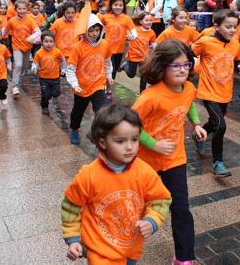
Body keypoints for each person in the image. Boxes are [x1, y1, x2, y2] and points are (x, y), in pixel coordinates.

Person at [61, 104, 172, 264]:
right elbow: (71, 207)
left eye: (134, 139)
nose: (129, 147)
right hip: (100, 252)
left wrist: (151, 221)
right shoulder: (89, 175)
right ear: (103, 142)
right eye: (120, 141)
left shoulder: (144, 171)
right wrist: (73, 239)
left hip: (130, 251)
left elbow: (161, 199)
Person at [133, 39, 207, 265]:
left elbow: (189, 104)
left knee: (181, 208)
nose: (183, 69)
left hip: (175, 159)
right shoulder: (151, 97)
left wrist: (196, 124)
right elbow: (131, 126)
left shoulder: (189, 88)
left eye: (186, 64)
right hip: (145, 163)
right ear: (162, 66)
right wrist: (153, 144)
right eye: (176, 65)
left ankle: (184, 258)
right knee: (136, 210)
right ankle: (115, 250)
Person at [191, 10, 240, 177]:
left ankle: (199, 135)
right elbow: (189, 52)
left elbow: (238, 59)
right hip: (208, 92)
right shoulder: (206, 42)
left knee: (215, 123)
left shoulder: (235, 41)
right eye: (228, 26)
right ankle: (218, 162)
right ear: (216, 26)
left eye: (235, 27)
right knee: (221, 126)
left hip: (225, 92)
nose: (232, 30)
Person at [66, 14, 113, 145]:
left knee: (101, 111)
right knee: (77, 112)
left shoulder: (105, 44)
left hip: (98, 85)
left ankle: (98, 134)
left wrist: (109, 75)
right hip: (82, 87)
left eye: (97, 30)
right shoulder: (78, 47)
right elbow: (70, 69)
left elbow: (108, 62)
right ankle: (74, 129)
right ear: (85, 31)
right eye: (91, 30)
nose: (94, 34)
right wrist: (75, 84)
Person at [3, 0, 39, 97]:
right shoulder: (12, 20)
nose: (22, 10)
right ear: (16, 9)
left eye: (24, 8)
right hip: (16, 46)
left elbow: (37, 31)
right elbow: (5, 30)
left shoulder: (30, 20)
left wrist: (32, 37)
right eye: (20, 9)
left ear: (27, 9)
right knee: (18, 65)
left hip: (27, 47)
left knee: (25, 67)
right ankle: (15, 86)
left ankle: (21, 72)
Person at [100, 0, 137, 80]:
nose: (118, 7)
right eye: (115, 5)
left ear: (123, 6)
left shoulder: (127, 18)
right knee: (110, 69)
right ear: (111, 5)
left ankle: (108, 87)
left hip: (120, 49)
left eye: (120, 5)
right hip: (107, 49)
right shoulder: (105, 17)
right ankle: (107, 90)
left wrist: (131, 36)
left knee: (115, 69)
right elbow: (98, 29)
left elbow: (135, 33)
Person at [123, 11, 156, 92]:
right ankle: (124, 66)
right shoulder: (134, 30)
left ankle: (142, 93)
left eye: (150, 20)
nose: (149, 22)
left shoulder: (151, 32)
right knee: (131, 75)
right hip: (133, 57)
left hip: (144, 58)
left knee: (144, 76)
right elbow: (126, 36)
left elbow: (153, 43)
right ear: (141, 21)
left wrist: (156, 48)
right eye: (147, 20)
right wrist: (127, 37)